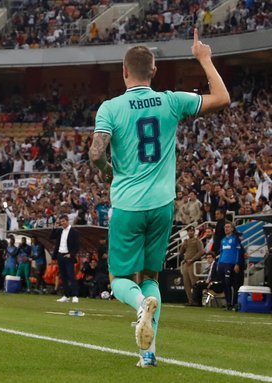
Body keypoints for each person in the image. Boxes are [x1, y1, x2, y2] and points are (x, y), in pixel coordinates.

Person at [88, 29, 230, 368]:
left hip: (127, 205)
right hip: (162, 205)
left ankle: (139, 305)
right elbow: (222, 98)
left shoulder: (110, 107)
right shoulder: (170, 100)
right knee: (151, 276)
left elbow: (96, 153)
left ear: (124, 72)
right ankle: (148, 354)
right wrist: (204, 59)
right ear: (154, 72)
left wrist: (107, 171)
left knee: (119, 280)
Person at [51, 215, 80, 303]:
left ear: (67, 221)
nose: (62, 223)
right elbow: (51, 237)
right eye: (61, 222)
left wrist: (71, 254)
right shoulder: (60, 231)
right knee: (63, 276)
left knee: (71, 276)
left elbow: (77, 246)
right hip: (60, 255)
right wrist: (55, 227)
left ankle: (75, 295)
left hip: (68, 256)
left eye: (63, 221)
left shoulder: (74, 232)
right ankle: (66, 295)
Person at [217, 222, 246, 310]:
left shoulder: (235, 239)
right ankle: (228, 303)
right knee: (224, 284)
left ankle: (233, 303)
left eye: (228, 227)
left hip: (230, 264)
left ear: (232, 229)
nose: (226, 228)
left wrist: (237, 263)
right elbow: (221, 252)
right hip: (222, 263)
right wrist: (218, 263)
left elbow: (238, 251)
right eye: (225, 227)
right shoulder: (223, 240)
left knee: (229, 283)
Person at [180, 226, 205, 306]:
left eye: (192, 231)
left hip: (194, 264)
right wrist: (182, 245)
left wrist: (193, 259)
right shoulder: (186, 241)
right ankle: (190, 300)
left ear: (194, 232)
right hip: (186, 263)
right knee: (186, 283)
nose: (190, 232)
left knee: (194, 283)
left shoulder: (197, 241)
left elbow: (201, 252)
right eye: (189, 231)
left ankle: (196, 300)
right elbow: (181, 252)